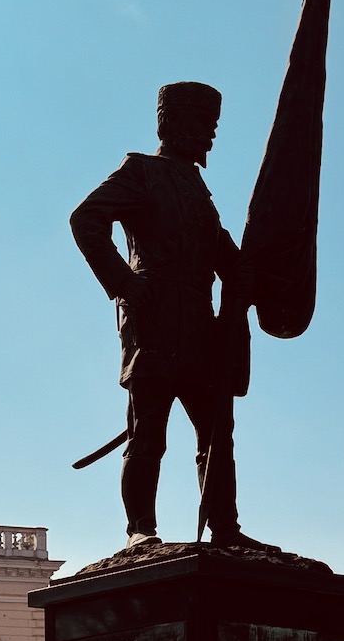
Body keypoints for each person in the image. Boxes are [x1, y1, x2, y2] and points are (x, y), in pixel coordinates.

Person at [70, 82, 268, 549]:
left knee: (218, 435)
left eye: (213, 128)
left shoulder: (199, 190)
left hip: (201, 328)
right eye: (204, 126)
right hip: (154, 322)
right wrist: (124, 282)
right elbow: (86, 218)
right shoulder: (141, 171)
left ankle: (226, 529)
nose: (210, 137)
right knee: (148, 433)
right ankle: (141, 530)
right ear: (172, 124)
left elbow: (224, 255)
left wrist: (257, 271)